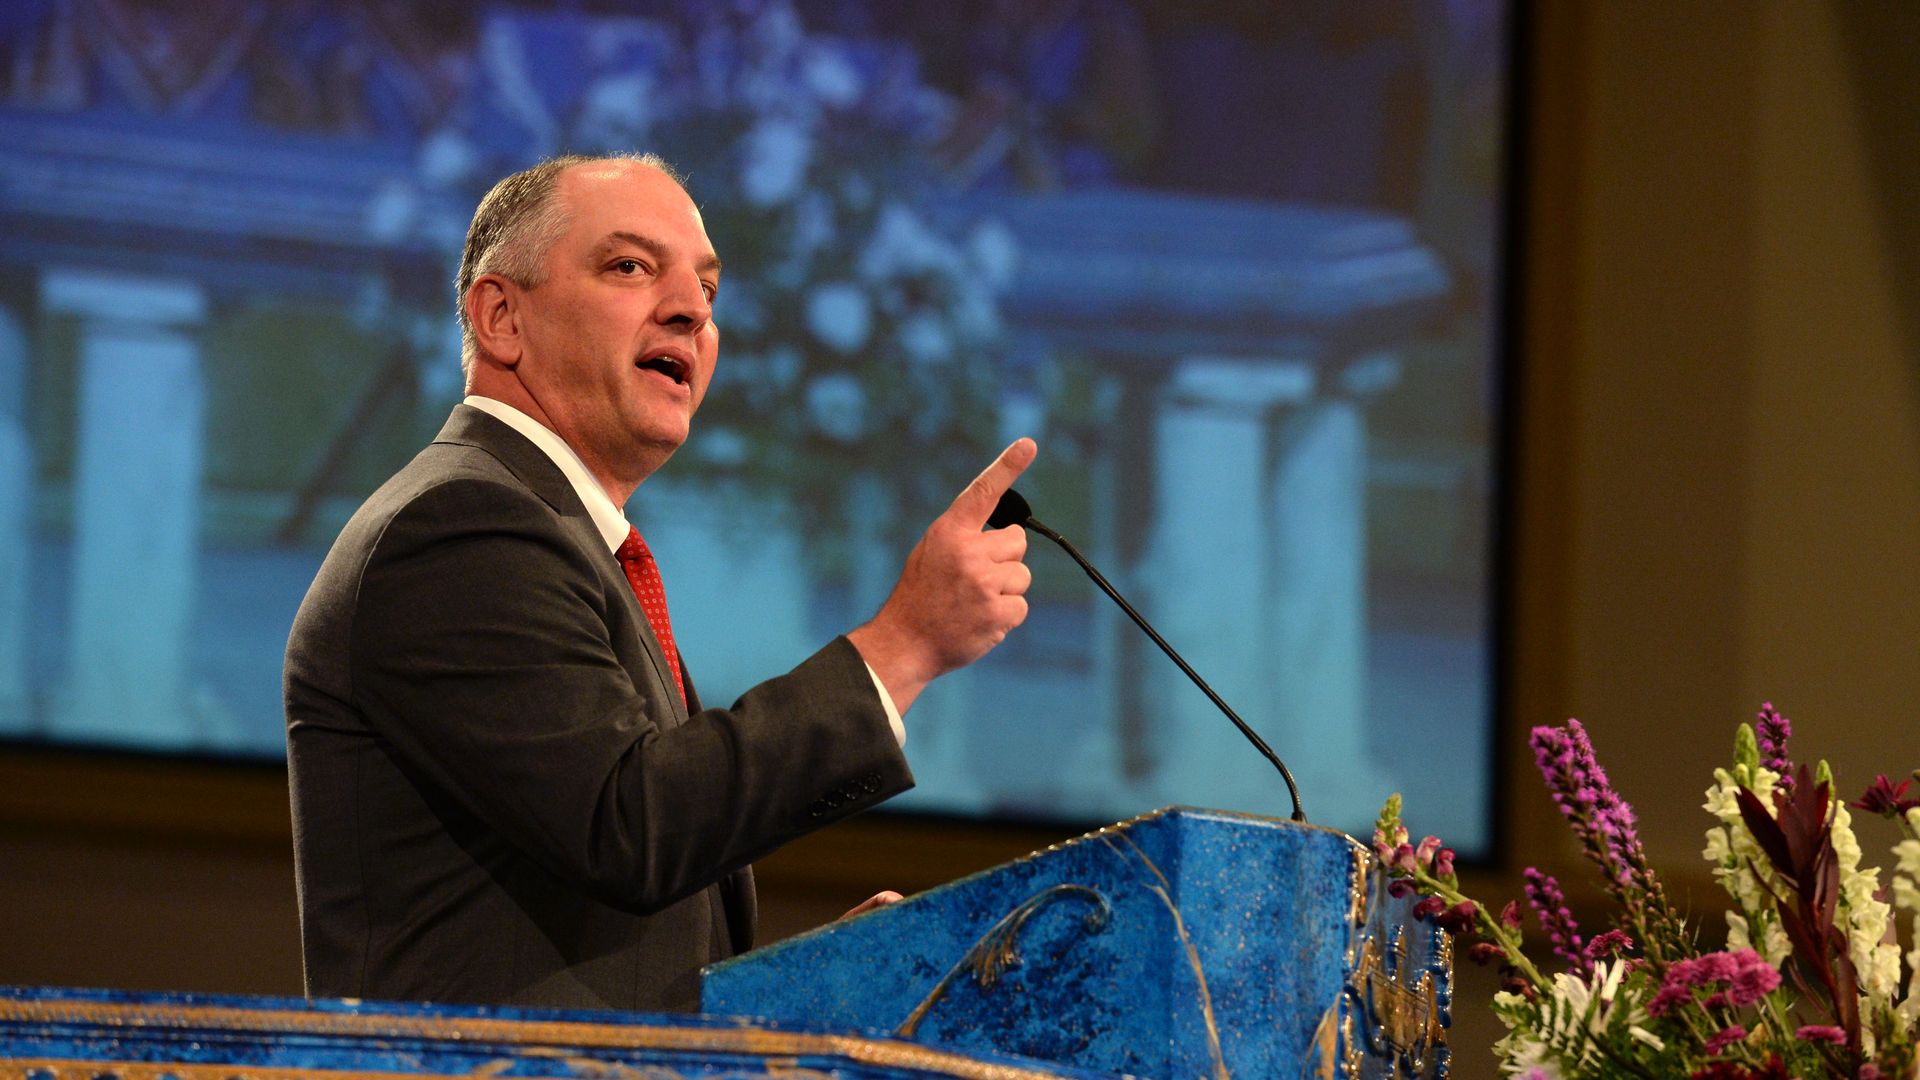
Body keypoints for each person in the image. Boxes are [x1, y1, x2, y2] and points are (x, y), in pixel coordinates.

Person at [284, 153, 1035, 1013]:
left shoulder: (563, 541)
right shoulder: (457, 527)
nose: (690, 310)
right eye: (630, 267)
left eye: (708, 292)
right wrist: (903, 644)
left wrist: (804, 991)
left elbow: (609, 937)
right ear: (501, 317)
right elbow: (628, 824)